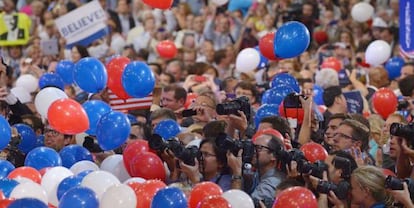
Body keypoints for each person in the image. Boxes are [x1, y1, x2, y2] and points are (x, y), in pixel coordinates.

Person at [249, 133, 286, 206]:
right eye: (252, 147)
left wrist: (236, 173)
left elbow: (247, 206)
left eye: (259, 148)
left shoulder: (273, 182)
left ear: (273, 156)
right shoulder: (259, 173)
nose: (253, 151)